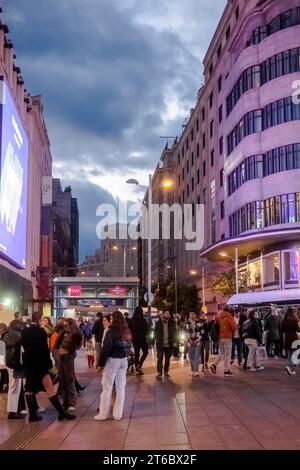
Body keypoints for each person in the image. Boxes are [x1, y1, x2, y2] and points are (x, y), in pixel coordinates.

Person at [21, 312, 76, 422]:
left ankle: (32, 414)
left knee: (29, 389)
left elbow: (23, 348)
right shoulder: (40, 332)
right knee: (50, 388)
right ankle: (61, 413)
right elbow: (44, 351)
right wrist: (50, 366)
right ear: (39, 319)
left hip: (29, 364)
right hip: (40, 365)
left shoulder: (24, 331)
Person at [94, 311, 132, 421]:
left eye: (111, 317)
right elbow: (129, 346)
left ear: (114, 319)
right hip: (123, 360)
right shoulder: (127, 330)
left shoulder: (111, 331)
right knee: (121, 387)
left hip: (113, 360)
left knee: (107, 386)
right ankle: (117, 414)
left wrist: (101, 364)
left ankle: (103, 413)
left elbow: (106, 348)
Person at [55, 318, 82, 411]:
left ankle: (72, 402)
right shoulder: (62, 332)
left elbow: (78, 345)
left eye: (66, 325)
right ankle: (65, 401)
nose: (64, 327)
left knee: (69, 379)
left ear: (71, 325)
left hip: (68, 357)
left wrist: (70, 350)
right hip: (61, 357)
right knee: (62, 380)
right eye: (64, 325)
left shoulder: (75, 334)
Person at [210, 307, 237, 377]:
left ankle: (214, 364)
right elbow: (234, 327)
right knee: (227, 354)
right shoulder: (228, 316)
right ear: (228, 311)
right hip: (227, 337)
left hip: (220, 337)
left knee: (222, 353)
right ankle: (226, 370)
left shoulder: (219, 316)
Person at [154, 310, 177, 380]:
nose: (168, 314)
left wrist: (175, 341)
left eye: (168, 313)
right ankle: (159, 373)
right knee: (160, 358)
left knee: (167, 359)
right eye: (166, 313)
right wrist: (152, 342)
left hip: (169, 344)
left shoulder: (172, 322)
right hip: (160, 345)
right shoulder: (158, 323)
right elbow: (155, 333)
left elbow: (175, 333)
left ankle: (166, 372)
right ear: (163, 314)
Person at [129, 306, 148, 376]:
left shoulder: (131, 320)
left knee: (136, 354)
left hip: (134, 340)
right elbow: (146, 330)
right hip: (142, 339)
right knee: (146, 352)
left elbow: (129, 330)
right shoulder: (143, 320)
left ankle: (137, 367)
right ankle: (139, 365)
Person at [281, 307, 300, 376]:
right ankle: (291, 368)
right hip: (294, 339)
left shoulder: (283, 320)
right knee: (294, 355)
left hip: (287, 338)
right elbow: (298, 330)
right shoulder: (295, 320)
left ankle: (290, 368)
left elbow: (282, 330)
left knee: (289, 355)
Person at [184, 312, 201, 377]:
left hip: (197, 342)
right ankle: (192, 370)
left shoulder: (199, 322)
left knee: (197, 356)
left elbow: (202, 332)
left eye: (193, 314)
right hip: (189, 342)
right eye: (191, 314)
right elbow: (184, 333)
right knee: (191, 357)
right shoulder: (186, 323)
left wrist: (198, 339)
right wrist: (189, 340)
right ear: (189, 315)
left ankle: (196, 371)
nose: (192, 315)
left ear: (195, 315)